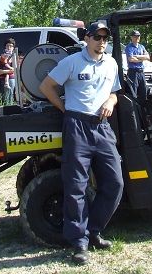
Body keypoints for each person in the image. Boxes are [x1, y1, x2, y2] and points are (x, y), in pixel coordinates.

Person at [39, 21, 123, 265]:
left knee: (115, 183)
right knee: (76, 186)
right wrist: (64, 109)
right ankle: (79, 243)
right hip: (77, 126)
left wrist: (110, 102)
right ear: (87, 38)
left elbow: (114, 92)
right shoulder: (72, 62)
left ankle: (93, 230)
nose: (101, 42)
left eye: (105, 38)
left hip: (102, 128)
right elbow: (46, 86)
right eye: (97, 37)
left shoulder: (111, 63)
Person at [125, 30, 149, 100]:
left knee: (143, 92)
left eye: (138, 36)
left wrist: (137, 57)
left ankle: (143, 106)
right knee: (133, 93)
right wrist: (142, 59)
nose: (137, 38)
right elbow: (131, 59)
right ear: (131, 37)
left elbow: (148, 57)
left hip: (141, 72)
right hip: (133, 72)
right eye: (135, 36)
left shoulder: (142, 47)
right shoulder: (129, 47)